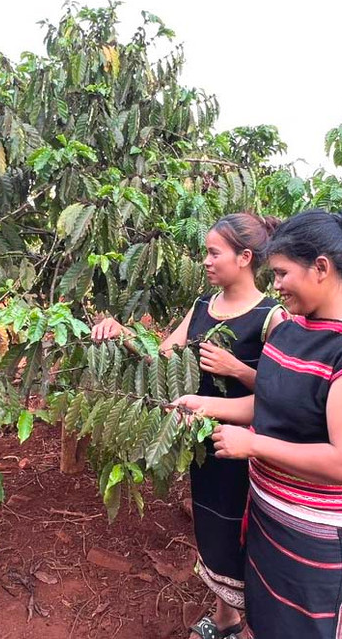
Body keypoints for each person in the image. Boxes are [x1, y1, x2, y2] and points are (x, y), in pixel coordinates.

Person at [176, 208, 342, 639]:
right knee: (267, 622)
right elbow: (269, 403)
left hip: (319, 538)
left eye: (282, 273)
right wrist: (204, 404)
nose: (275, 285)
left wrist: (254, 446)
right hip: (268, 518)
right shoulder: (289, 331)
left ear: (321, 268)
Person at [94, 213, 283, 639]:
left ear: (244, 257)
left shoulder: (272, 317)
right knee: (215, 525)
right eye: (206, 253)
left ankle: (257, 626)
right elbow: (159, 356)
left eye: (215, 253)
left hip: (249, 449)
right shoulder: (202, 307)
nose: (206, 261)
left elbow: (284, 394)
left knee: (249, 532)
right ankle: (226, 618)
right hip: (205, 443)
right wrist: (121, 333)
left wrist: (237, 369)